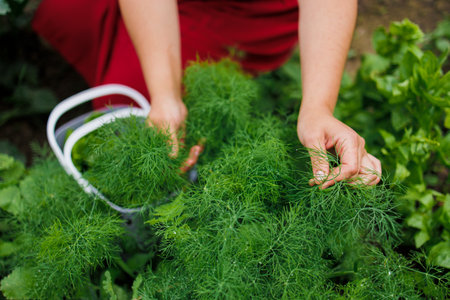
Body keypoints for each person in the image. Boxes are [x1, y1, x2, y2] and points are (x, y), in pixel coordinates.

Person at [32, 0, 381, 188]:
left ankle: (129, 63)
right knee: (63, 11)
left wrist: (318, 108)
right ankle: (124, 58)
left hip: (242, 11)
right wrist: (165, 94)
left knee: (126, 106)